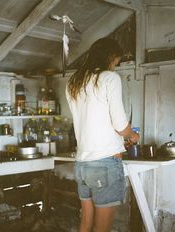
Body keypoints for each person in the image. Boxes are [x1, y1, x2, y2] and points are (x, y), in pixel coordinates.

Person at [65, 37, 139, 232]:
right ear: (110, 57)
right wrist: (132, 136)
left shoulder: (74, 82)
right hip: (105, 163)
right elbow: (120, 124)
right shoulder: (109, 78)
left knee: (85, 224)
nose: (116, 65)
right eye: (116, 60)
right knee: (102, 229)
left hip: (82, 164)